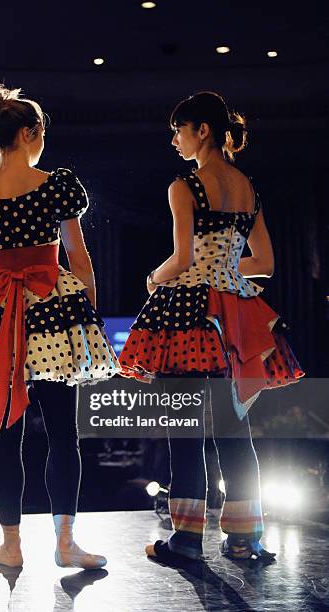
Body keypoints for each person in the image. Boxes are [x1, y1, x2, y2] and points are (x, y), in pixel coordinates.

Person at [0, 83, 120, 568]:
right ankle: (65, 543)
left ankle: (11, 546)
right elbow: (78, 258)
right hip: (53, 308)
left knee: (4, 431)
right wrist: (88, 316)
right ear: (31, 132)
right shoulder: (56, 185)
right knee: (63, 433)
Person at [119, 91, 304, 564]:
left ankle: (185, 540)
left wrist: (152, 278)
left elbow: (181, 260)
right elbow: (264, 263)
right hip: (233, 315)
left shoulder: (184, 185)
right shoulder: (249, 187)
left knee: (184, 434)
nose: (175, 140)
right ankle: (244, 540)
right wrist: (224, 269)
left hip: (187, 314)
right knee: (233, 434)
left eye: (179, 130)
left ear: (202, 131)